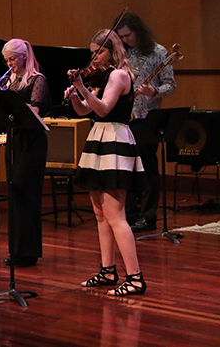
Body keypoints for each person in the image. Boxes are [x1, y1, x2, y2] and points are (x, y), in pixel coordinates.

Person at [65, 29, 148, 296]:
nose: (94, 58)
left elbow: (103, 108)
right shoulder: (102, 76)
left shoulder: (119, 75)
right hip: (98, 139)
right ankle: (107, 269)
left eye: (99, 52)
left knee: (115, 215)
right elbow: (86, 110)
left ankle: (135, 277)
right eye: (92, 53)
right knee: (100, 214)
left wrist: (80, 86)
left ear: (112, 51)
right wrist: (77, 96)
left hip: (115, 140)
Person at [0, 38, 50, 267]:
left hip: (32, 139)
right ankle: (17, 250)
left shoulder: (37, 79)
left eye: (12, 59)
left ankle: (29, 251)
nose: (9, 63)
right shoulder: (11, 80)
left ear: (23, 56)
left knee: (26, 189)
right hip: (14, 138)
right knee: (14, 189)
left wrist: (7, 97)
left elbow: (33, 109)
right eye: (6, 60)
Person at [116, 12, 176, 232]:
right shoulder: (120, 54)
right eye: (121, 36)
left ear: (138, 30)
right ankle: (129, 213)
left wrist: (154, 91)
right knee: (125, 168)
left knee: (147, 168)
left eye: (128, 35)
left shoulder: (158, 52)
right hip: (123, 118)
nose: (125, 40)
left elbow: (171, 85)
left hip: (146, 118)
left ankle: (148, 215)